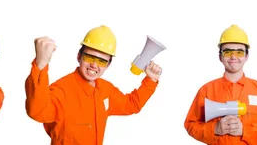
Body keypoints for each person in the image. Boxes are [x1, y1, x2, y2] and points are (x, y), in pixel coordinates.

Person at [25, 25, 163, 145]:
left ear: (108, 65)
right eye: (90, 57)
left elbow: (131, 104)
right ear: (79, 56)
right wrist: (40, 65)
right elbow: (37, 111)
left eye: (102, 61)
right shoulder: (62, 89)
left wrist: (151, 80)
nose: (94, 65)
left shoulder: (105, 90)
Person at [183, 24, 257, 144]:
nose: (233, 57)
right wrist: (215, 129)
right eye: (228, 52)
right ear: (220, 56)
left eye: (239, 52)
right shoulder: (206, 90)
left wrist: (244, 130)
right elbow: (190, 125)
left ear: (247, 56)